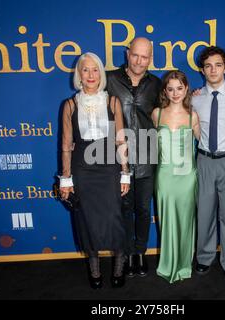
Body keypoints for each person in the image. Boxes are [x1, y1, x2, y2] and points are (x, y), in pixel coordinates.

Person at [59, 52, 130, 289]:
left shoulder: (112, 102)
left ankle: (120, 266)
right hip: (83, 170)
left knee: (115, 220)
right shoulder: (70, 105)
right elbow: (67, 144)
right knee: (87, 221)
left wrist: (125, 172)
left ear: (101, 73)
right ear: (79, 74)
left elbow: (121, 140)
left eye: (95, 69)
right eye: (85, 70)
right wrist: (66, 179)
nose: (90, 75)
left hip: (109, 167)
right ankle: (95, 269)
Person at [106, 37, 162, 277]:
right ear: (127, 53)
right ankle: (126, 253)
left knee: (143, 208)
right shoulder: (109, 79)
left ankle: (140, 252)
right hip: (118, 157)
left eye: (145, 57)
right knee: (124, 208)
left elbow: (173, 109)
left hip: (148, 156)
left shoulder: (157, 84)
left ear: (150, 58)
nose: (140, 61)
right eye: (135, 55)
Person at [192, 46, 225, 283]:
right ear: (202, 70)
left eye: (218, 65)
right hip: (204, 161)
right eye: (208, 66)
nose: (213, 70)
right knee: (204, 213)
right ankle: (204, 258)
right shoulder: (194, 99)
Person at [151, 71, 200, 283]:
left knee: (185, 221)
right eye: (170, 88)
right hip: (164, 176)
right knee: (167, 220)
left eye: (179, 88)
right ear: (165, 91)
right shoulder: (156, 114)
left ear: (186, 89)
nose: (175, 93)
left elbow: (206, 143)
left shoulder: (193, 115)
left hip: (187, 176)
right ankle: (168, 263)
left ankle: (183, 264)